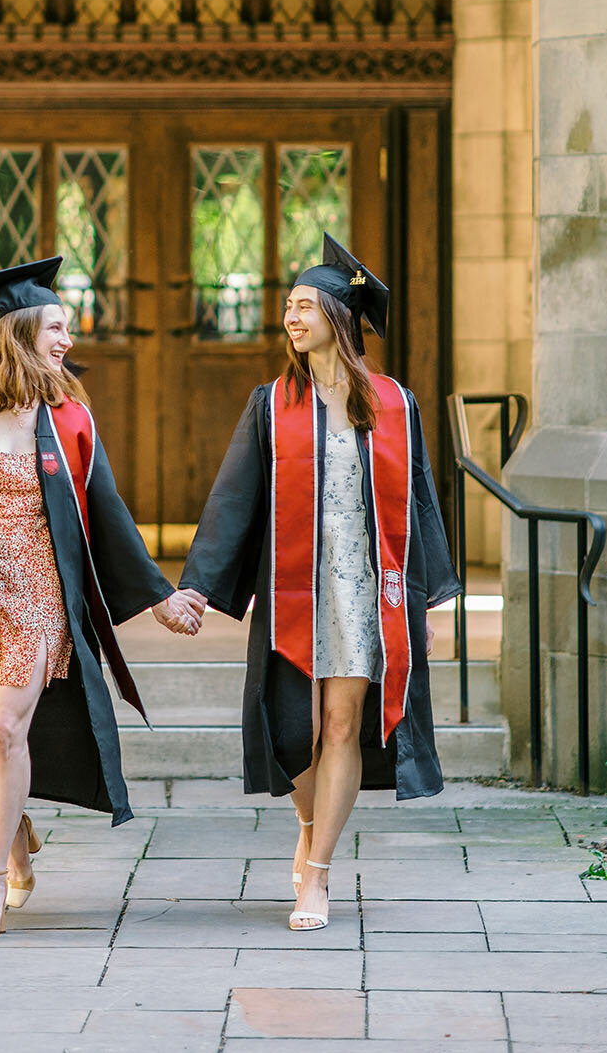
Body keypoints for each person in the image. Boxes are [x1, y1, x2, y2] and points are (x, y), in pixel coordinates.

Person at [0, 256, 205, 942]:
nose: (67, 339)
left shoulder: (69, 419)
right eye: (56, 326)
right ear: (18, 330)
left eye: (67, 328)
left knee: (6, 731)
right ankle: (15, 836)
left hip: (42, 591)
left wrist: (160, 599)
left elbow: (104, 511)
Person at [179, 233, 461, 931]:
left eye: (304, 306)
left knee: (341, 725)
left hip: (368, 592)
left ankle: (318, 873)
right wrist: (197, 587)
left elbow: (419, 499)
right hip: (294, 588)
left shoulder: (394, 403)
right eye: (288, 307)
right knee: (291, 729)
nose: (290, 318)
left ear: (340, 317)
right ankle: (309, 829)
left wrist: (424, 602)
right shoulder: (270, 403)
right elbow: (233, 499)